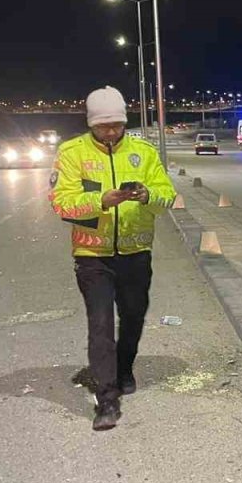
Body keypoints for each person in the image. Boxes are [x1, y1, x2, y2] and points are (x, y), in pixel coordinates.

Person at [49, 86, 177, 430]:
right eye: (103, 127)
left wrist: (148, 194)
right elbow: (61, 202)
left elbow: (168, 195)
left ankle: (124, 368)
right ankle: (106, 399)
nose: (110, 132)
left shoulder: (143, 152)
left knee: (133, 317)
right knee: (101, 325)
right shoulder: (72, 153)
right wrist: (102, 201)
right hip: (93, 255)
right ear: (91, 124)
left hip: (136, 252)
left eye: (117, 125)